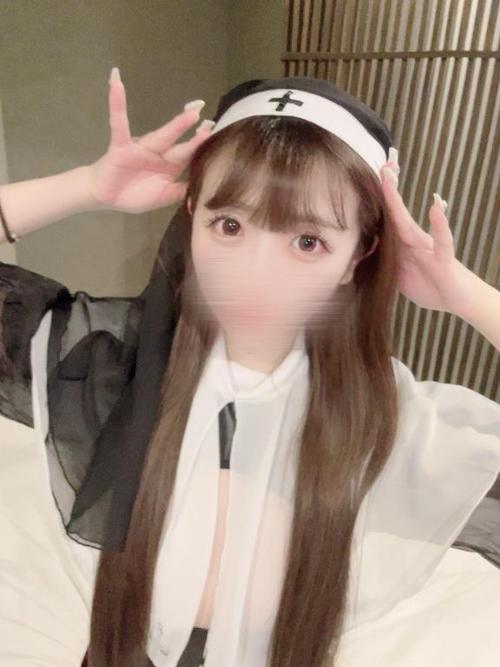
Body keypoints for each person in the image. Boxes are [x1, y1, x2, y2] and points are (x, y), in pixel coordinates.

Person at [0, 68, 499, 667]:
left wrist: (466, 295)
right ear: (192, 216)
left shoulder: (383, 414)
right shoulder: (111, 363)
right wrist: (86, 186)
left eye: (308, 241)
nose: (254, 274)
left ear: (357, 257)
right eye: (230, 225)